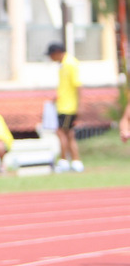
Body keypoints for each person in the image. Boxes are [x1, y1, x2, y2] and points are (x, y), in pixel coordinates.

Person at [46, 42, 84, 172]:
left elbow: (78, 85)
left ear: (56, 52)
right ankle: (75, 161)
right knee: (69, 134)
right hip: (63, 105)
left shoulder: (70, 64)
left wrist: (79, 106)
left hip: (68, 107)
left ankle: (64, 161)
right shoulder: (63, 65)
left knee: (61, 133)